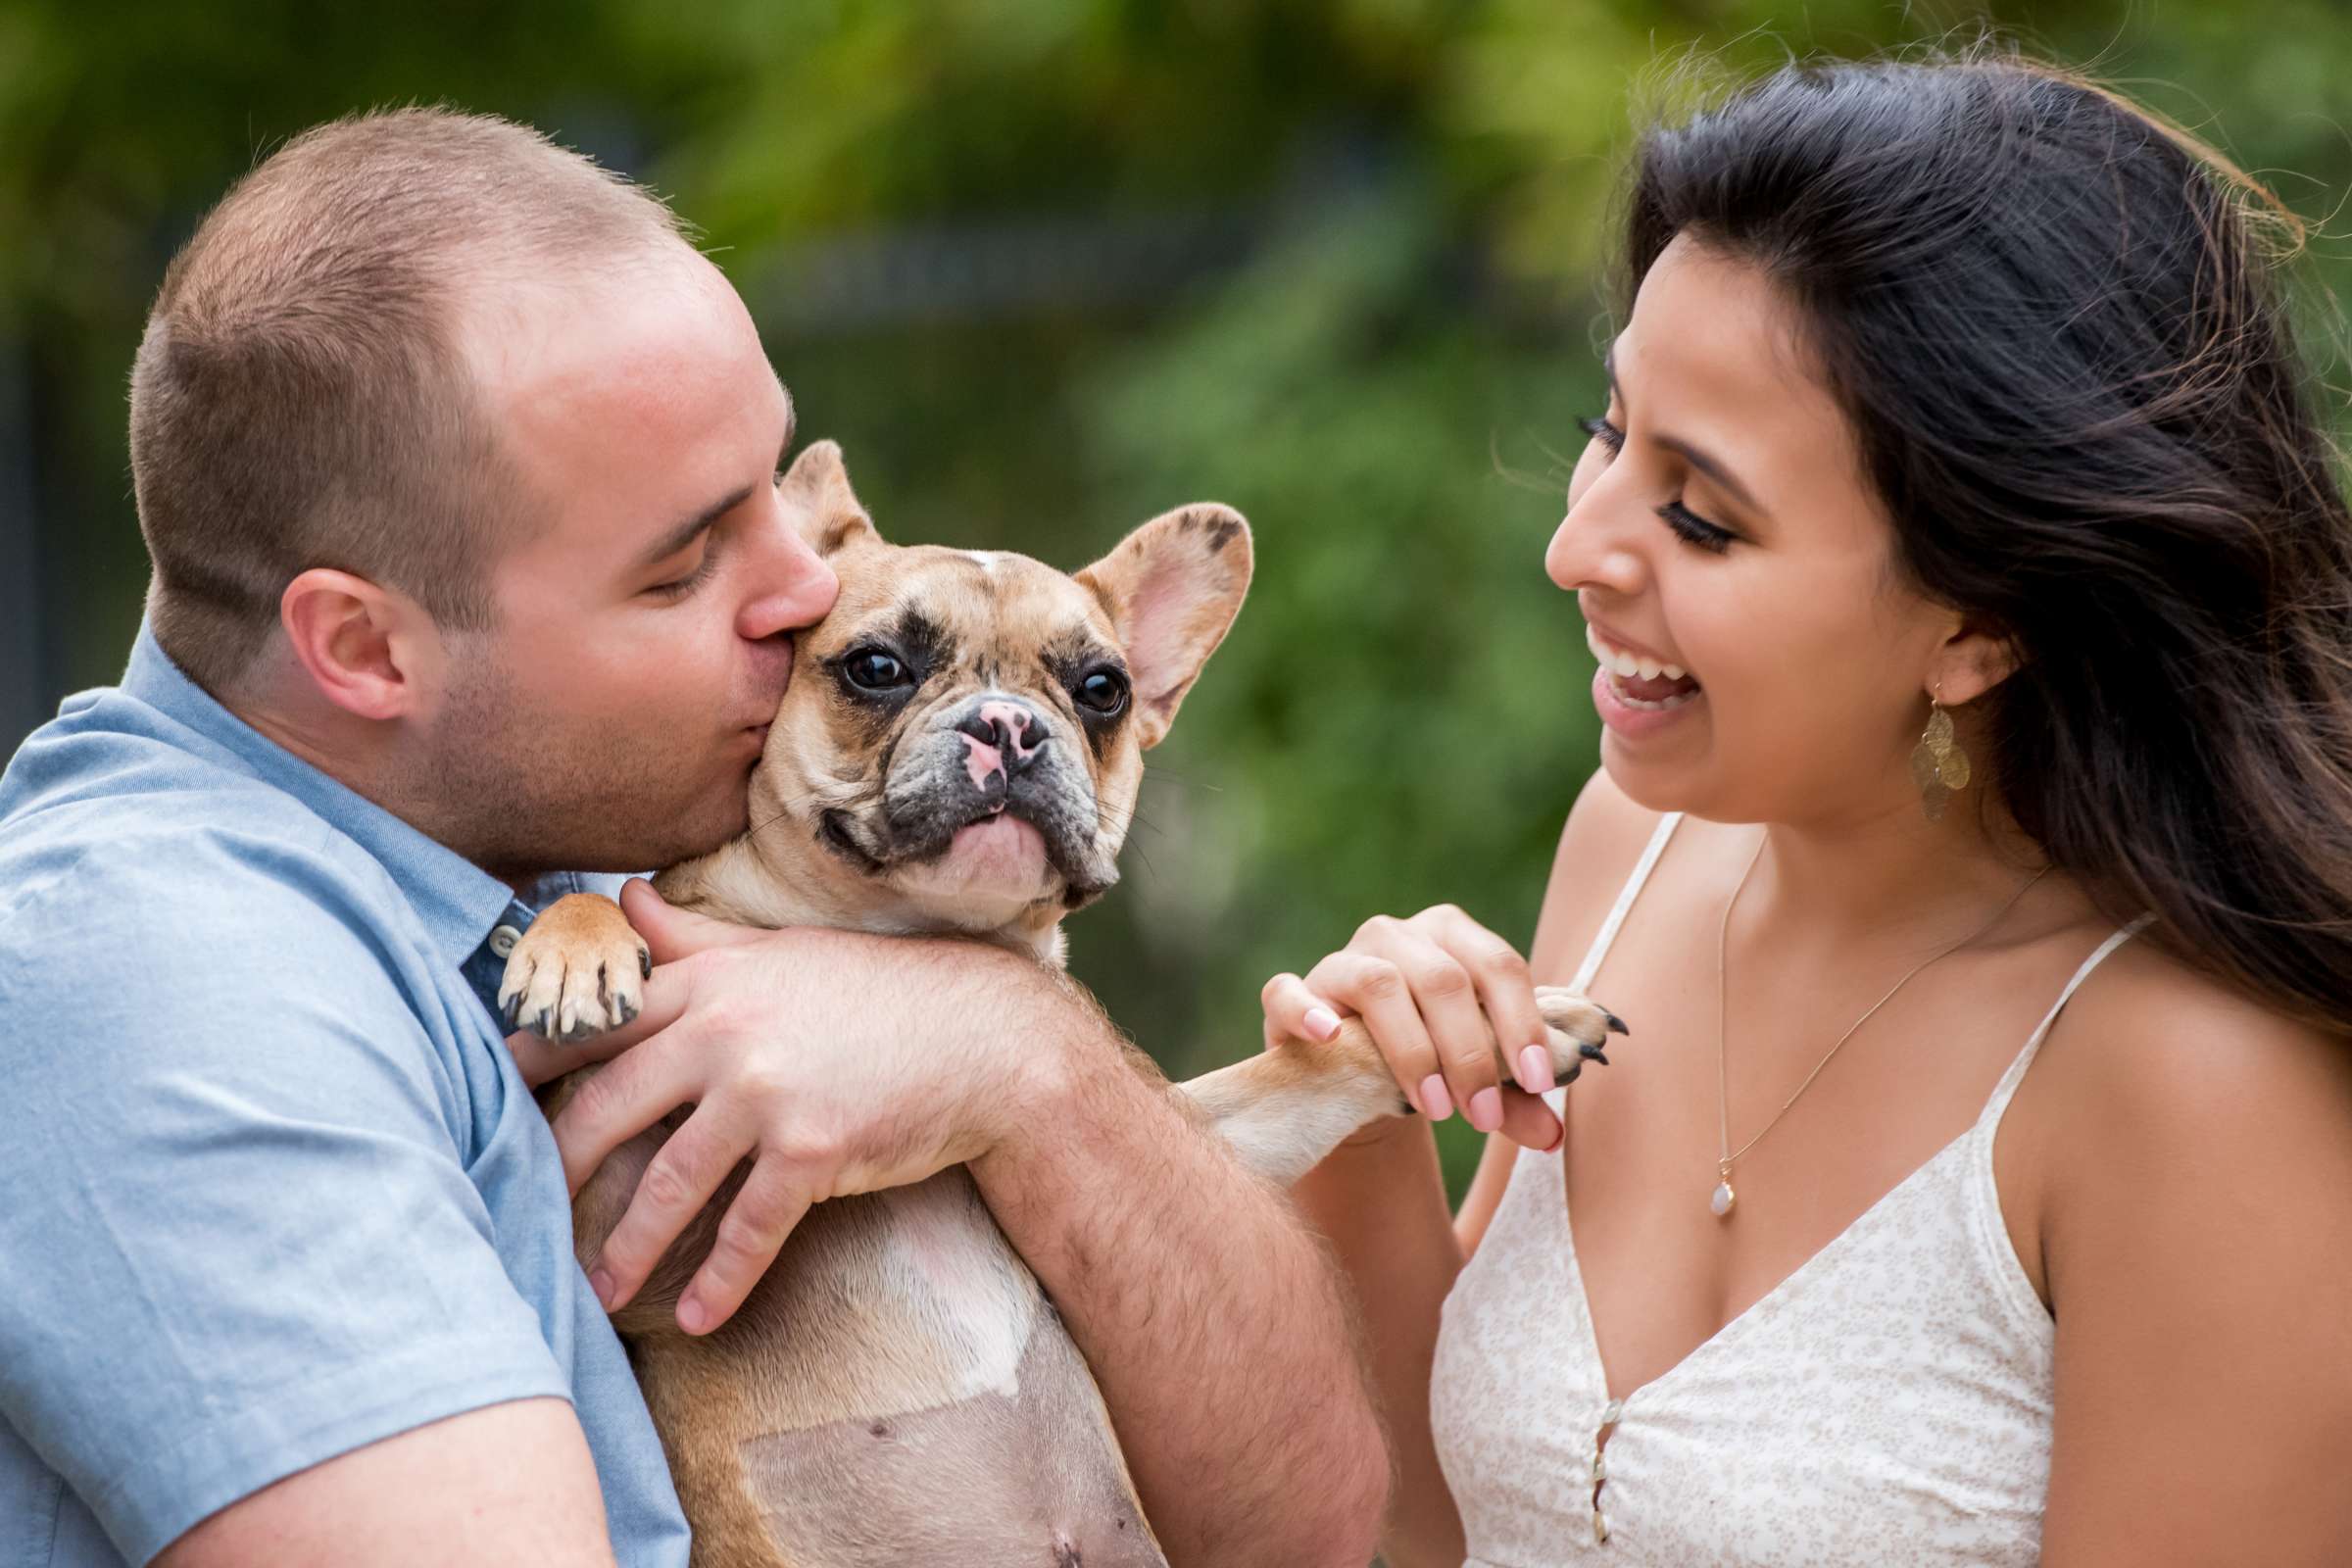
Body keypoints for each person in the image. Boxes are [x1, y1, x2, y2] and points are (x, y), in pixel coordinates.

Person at [0, 110, 1387, 1568]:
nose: (807, 591)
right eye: (687, 564)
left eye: (779, 494)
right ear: (367, 649)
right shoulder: (160, 986)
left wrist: (1018, 1054)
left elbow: (1310, 1523)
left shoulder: (572, 833)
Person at [1260, 51, 2352, 1567]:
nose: (1578, 547)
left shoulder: (2199, 1089)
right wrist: (1359, 1119)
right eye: (1608, 428)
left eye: (1700, 513)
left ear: (1980, 620)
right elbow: (1453, 1527)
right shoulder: (1630, 851)